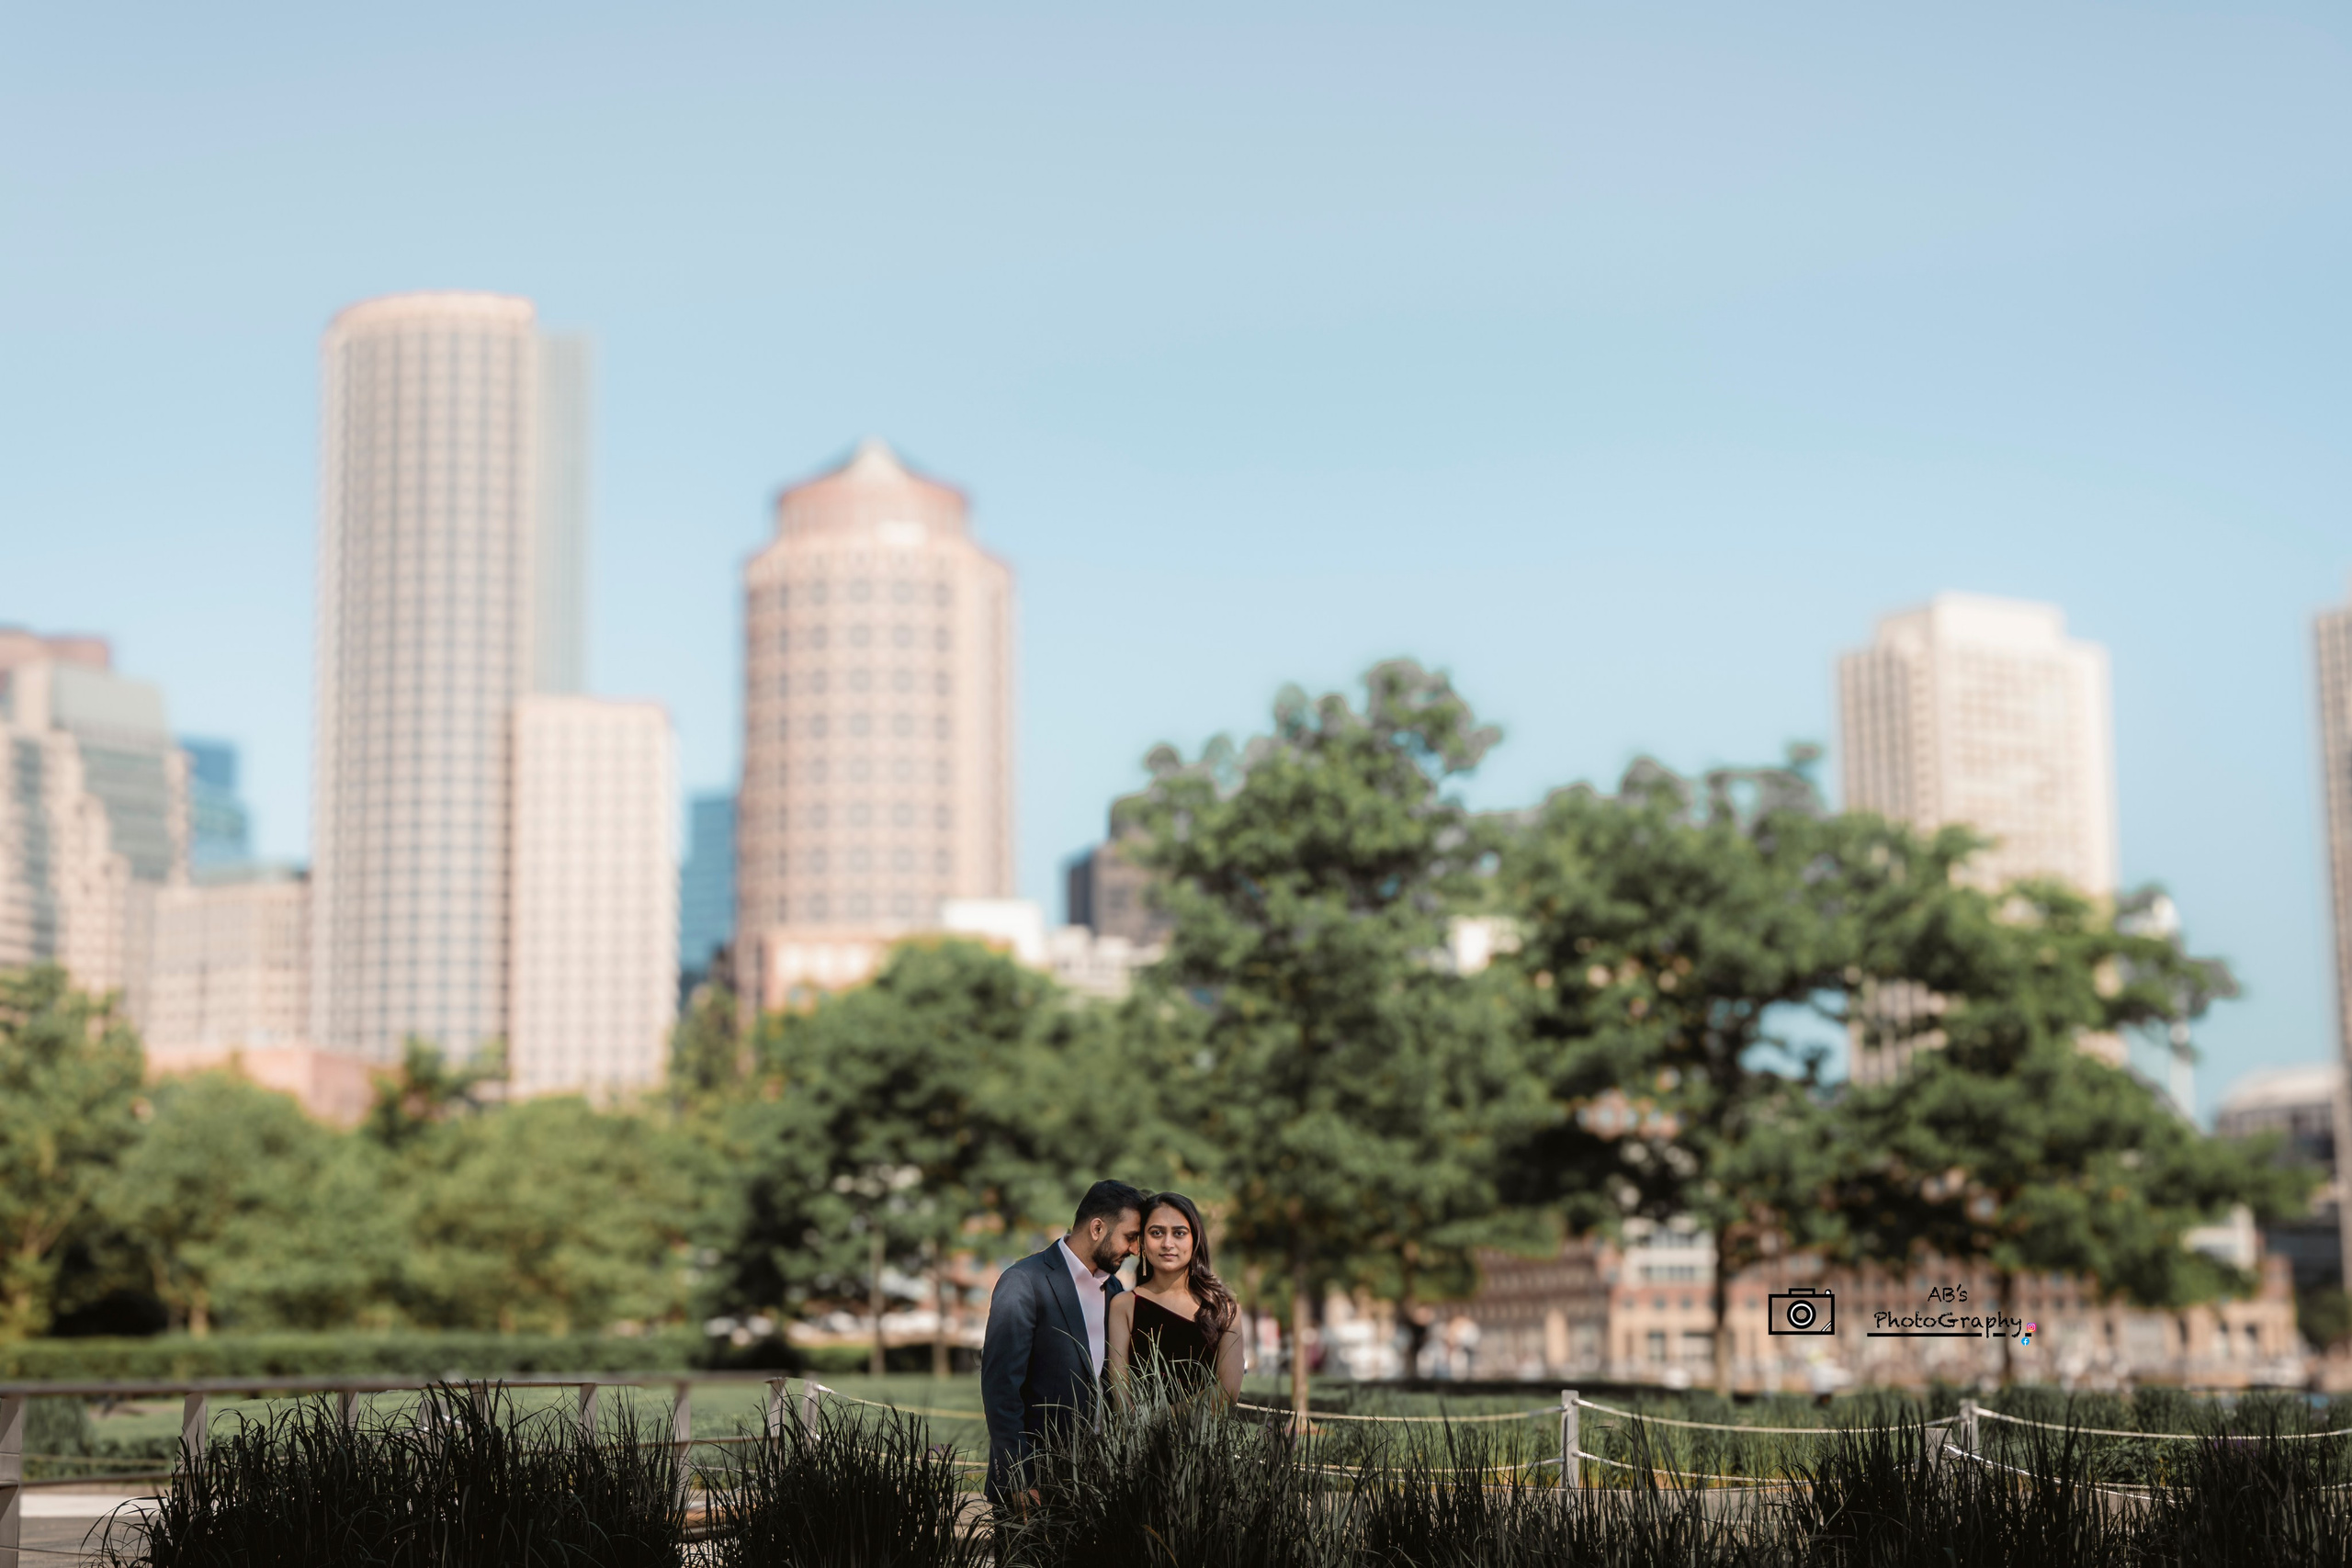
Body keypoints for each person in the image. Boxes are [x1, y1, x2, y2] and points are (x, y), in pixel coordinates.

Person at [978, 1179, 1146, 1506]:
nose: (1136, 1250)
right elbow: (1000, 1389)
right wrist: (1018, 1478)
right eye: (1130, 1237)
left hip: (1093, 1486)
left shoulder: (1114, 1291)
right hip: (1032, 1486)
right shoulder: (1024, 1282)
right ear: (1097, 1228)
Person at [1105, 1190, 1245, 1404]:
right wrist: (1141, 1432)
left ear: (1195, 1240)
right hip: (1136, 1436)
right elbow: (1121, 1397)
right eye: (1156, 1233)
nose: (1167, 1243)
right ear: (1142, 1241)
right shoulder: (1124, 1305)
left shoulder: (1224, 1308)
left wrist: (1159, 1422)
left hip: (1204, 1436)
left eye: (1179, 1233)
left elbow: (1228, 1392)